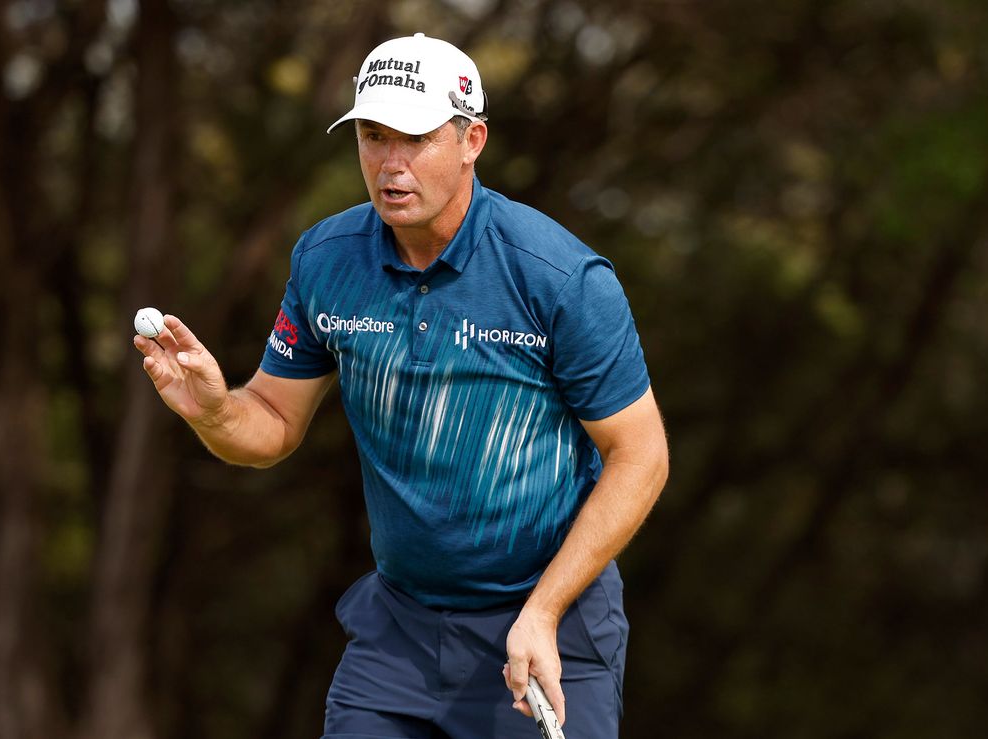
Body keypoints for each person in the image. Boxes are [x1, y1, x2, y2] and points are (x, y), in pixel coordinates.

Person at [134, 32, 668, 738]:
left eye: (414, 138)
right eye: (372, 136)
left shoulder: (559, 278)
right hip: (402, 631)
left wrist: (542, 611)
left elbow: (642, 454)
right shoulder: (327, 260)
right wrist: (213, 411)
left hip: (551, 623)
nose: (390, 163)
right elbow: (270, 425)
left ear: (471, 139)